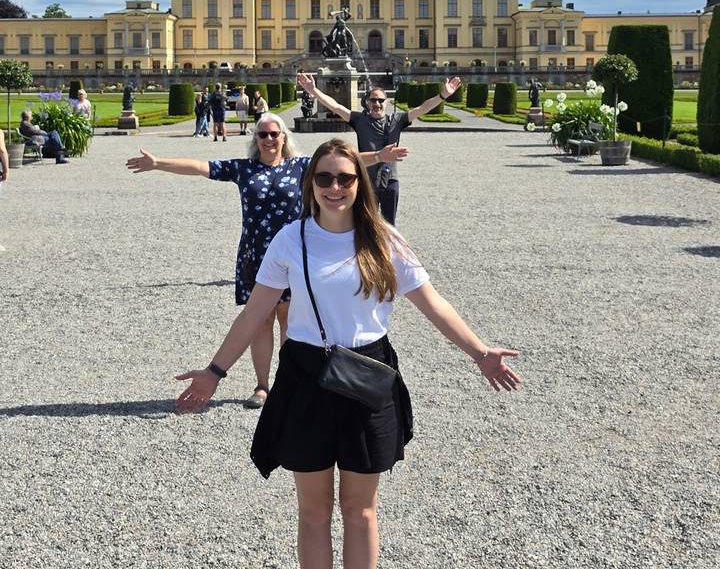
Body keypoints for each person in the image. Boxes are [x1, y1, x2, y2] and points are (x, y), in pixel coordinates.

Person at [175, 137, 521, 569]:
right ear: (310, 183)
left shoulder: (384, 239)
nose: (334, 187)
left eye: (344, 178)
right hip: (305, 376)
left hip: (367, 374)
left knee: (360, 511)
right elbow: (254, 314)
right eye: (323, 178)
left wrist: (480, 352)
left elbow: (433, 303)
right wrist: (214, 372)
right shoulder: (291, 239)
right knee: (314, 512)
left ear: (360, 182)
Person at [126, 115, 407, 410]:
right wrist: (157, 163)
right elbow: (200, 167)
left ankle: (290, 381)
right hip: (255, 254)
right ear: (256, 139)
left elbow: (344, 163)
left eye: (274, 133)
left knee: (290, 319)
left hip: (294, 253)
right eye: (263, 134)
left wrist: (379, 156)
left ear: (284, 137)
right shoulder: (244, 168)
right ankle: (262, 385)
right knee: (260, 320)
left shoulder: (301, 166)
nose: (269, 139)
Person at [297, 72, 462, 225]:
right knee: (365, 223)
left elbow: (422, 109)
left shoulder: (397, 120)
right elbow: (335, 106)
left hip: (390, 180)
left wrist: (443, 95)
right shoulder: (360, 120)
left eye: (381, 100)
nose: (377, 104)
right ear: (368, 102)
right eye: (373, 100)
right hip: (367, 181)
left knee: (390, 225)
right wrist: (314, 91)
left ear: (387, 102)